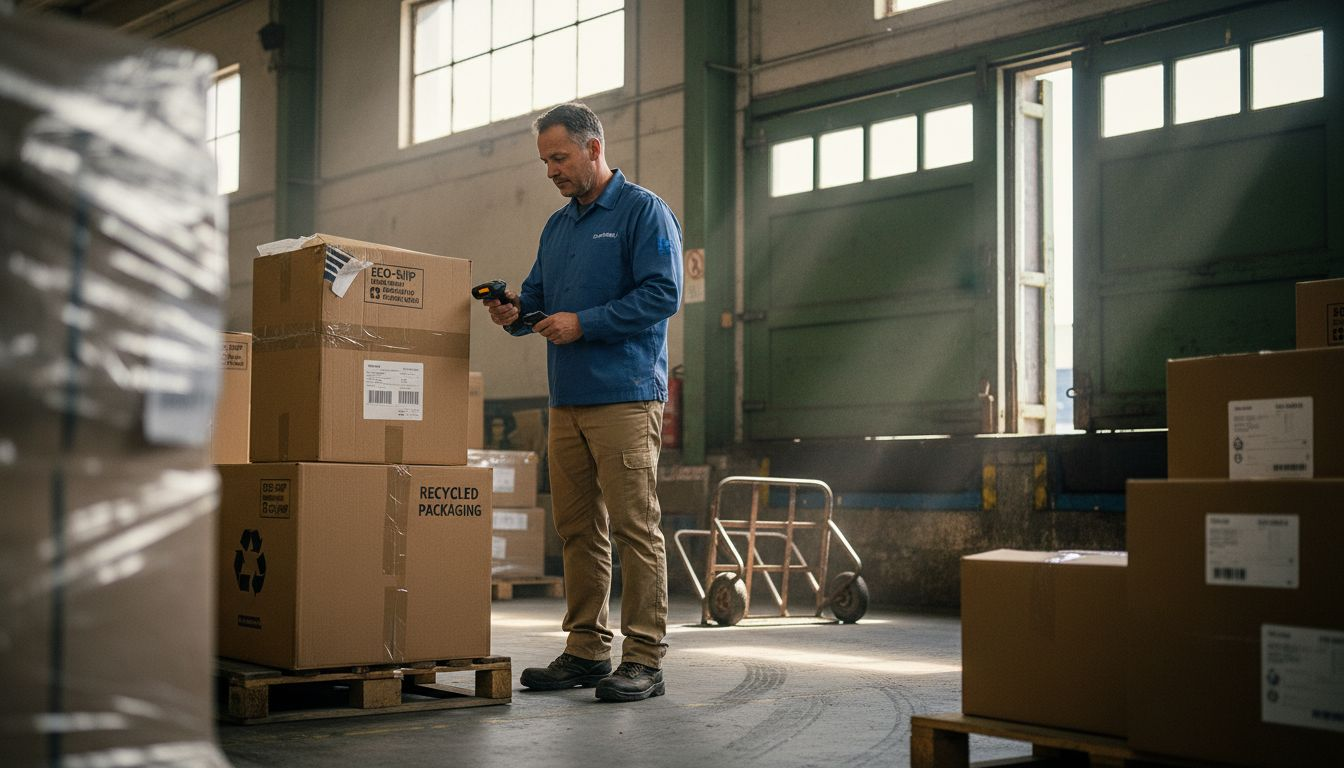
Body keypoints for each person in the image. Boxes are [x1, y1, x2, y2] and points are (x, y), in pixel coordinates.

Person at [484, 101, 682, 703]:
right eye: (545, 161)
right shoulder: (558, 226)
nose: (551, 171)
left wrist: (585, 323)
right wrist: (515, 313)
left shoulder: (643, 212)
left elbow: (662, 294)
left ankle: (645, 657)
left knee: (634, 527)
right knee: (576, 529)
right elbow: (542, 301)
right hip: (567, 400)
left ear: (594, 148)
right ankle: (587, 649)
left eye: (560, 158)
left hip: (624, 395)